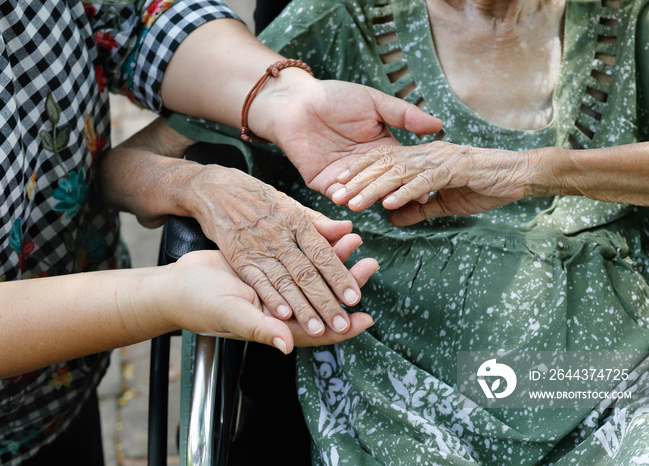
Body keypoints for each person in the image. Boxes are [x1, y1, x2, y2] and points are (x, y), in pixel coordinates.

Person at [0, 0, 443, 464]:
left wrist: (283, 97)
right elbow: (119, 170)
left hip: (59, 383)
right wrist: (164, 294)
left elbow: (134, 14)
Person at [167, 0, 649, 463]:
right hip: (405, 399)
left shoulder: (629, 21)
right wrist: (204, 187)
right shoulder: (337, 22)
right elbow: (129, 163)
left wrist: (537, 171)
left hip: (609, 383)